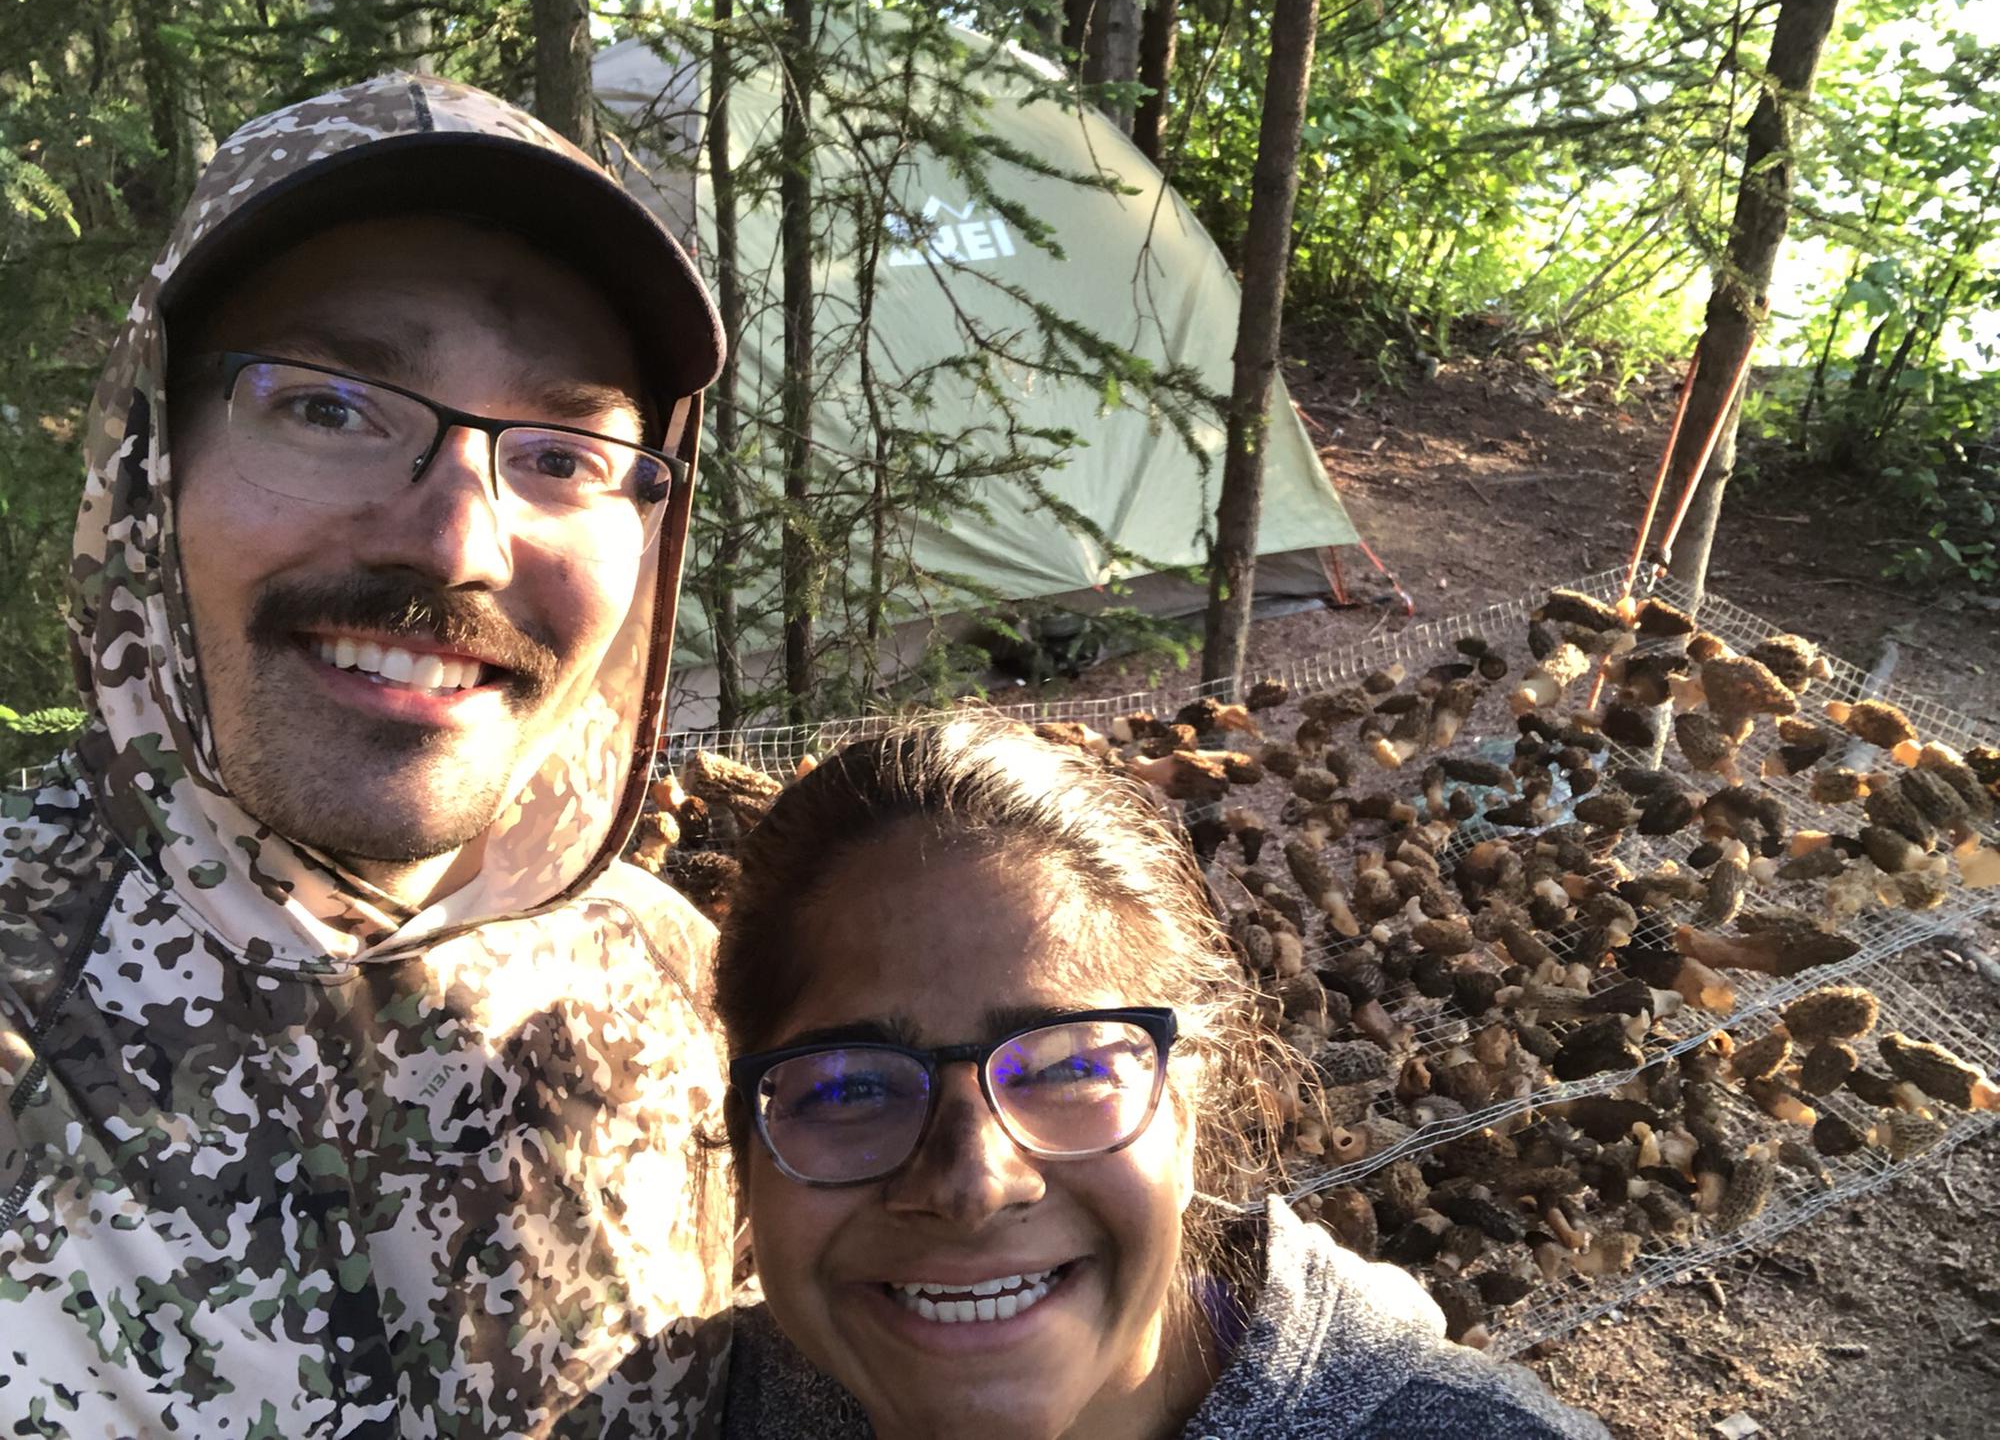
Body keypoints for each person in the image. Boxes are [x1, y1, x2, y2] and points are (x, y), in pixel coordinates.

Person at [0, 75, 733, 1436]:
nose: (457, 544)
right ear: (148, 458)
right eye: (330, 408)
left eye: (563, 455)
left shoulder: (685, 998)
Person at [711, 716, 1611, 1440]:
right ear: (744, 1148)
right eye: (849, 1087)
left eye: (1068, 1068)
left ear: (1184, 1116)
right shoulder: (689, 1407)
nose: (971, 1186)